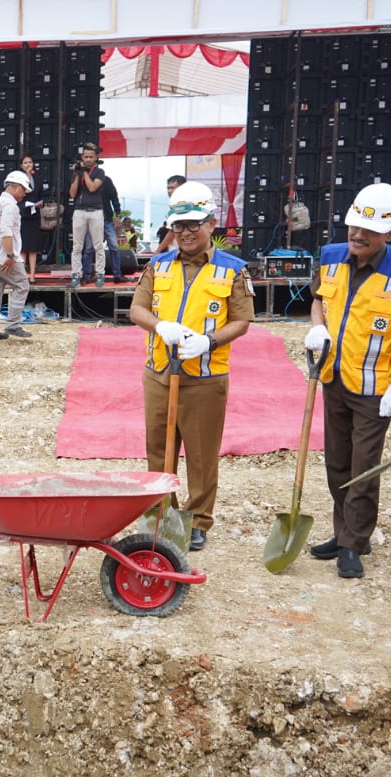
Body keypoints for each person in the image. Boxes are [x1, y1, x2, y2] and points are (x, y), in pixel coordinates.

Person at [127, 181, 253, 552]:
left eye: (193, 224)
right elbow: (138, 309)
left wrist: (209, 341)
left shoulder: (232, 270)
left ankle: (198, 520)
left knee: (201, 454)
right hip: (160, 373)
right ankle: (161, 512)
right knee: (157, 450)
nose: (184, 233)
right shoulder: (158, 265)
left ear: (212, 223)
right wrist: (158, 326)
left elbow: (242, 320)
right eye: (178, 226)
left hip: (205, 377)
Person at [303, 183, 391, 579]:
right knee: (337, 463)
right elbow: (318, 299)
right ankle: (345, 532)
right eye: (354, 226)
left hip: (374, 388)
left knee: (364, 467)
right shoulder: (331, 257)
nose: (357, 235)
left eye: (368, 231)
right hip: (333, 377)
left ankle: (353, 544)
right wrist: (317, 327)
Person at [0, 170, 34, 343]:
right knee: (22, 285)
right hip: (3, 255)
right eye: (23, 190)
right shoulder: (10, 206)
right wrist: (10, 255)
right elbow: (6, 231)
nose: (23, 194)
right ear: (15, 187)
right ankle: (12, 324)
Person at [68, 142, 107, 288]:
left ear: (96, 158)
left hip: (96, 210)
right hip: (79, 210)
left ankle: (100, 274)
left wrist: (84, 172)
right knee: (77, 246)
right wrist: (77, 175)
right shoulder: (78, 172)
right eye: (86, 157)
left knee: (98, 245)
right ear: (82, 157)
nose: (88, 159)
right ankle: (75, 275)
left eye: (91, 157)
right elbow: (72, 194)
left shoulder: (99, 172)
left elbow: (92, 187)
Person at [81, 168, 127, 283]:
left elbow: (114, 198)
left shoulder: (106, 181)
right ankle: (86, 275)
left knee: (114, 247)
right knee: (89, 248)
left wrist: (118, 214)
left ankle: (117, 274)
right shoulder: (85, 181)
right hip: (92, 218)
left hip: (106, 218)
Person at [17, 154, 44, 278]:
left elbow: (41, 194)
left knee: (33, 247)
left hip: (34, 216)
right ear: (21, 165)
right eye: (26, 163)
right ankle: (22, 275)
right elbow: (24, 192)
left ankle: (32, 275)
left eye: (30, 162)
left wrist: (40, 204)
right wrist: (26, 176)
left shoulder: (37, 178)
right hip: (23, 215)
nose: (28, 165)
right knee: (23, 247)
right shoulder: (19, 179)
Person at [155, 175, 187, 253]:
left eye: (172, 188)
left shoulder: (183, 206)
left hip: (180, 252)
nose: (169, 191)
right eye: (168, 188)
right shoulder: (177, 205)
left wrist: (157, 251)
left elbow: (173, 232)